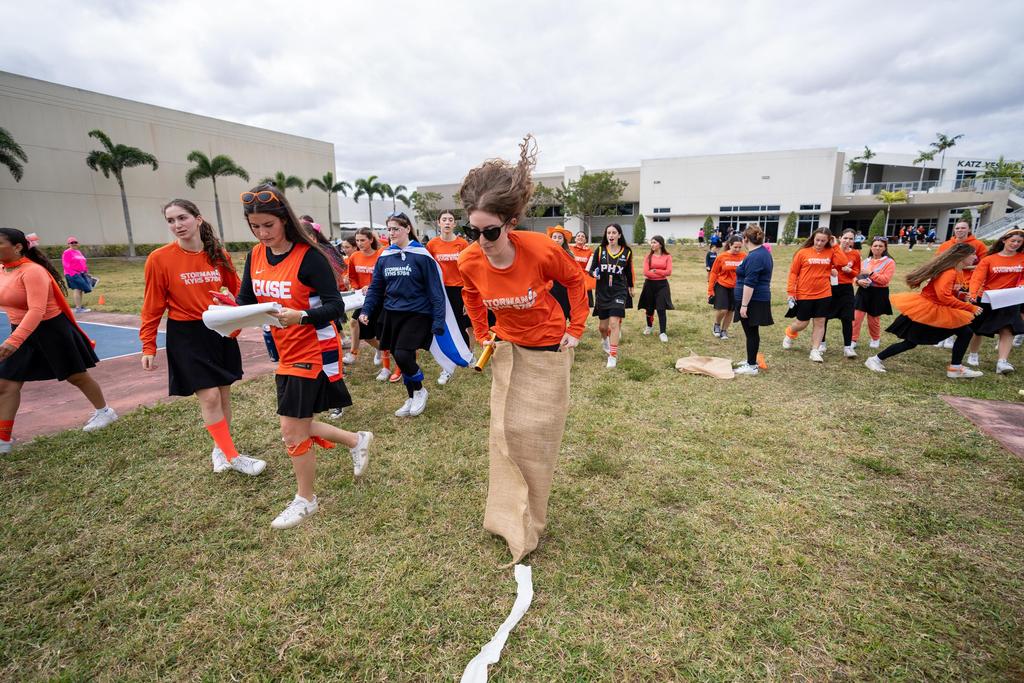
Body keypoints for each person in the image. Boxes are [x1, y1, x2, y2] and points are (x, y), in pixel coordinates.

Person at [456, 135, 587, 564]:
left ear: (510, 223)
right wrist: (482, 331)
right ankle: (507, 516)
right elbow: (471, 295)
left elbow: (575, 282)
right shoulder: (469, 260)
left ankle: (534, 516)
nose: (481, 240)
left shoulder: (541, 250)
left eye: (490, 231)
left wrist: (576, 329)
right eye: (472, 231)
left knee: (537, 439)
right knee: (504, 434)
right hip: (508, 349)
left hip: (548, 349)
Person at [235, 184, 373, 530]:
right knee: (298, 424)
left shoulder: (309, 256)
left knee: (291, 431)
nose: (262, 233)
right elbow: (246, 300)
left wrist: (302, 317)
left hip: (312, 349)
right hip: (284, 350)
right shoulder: (255, 256)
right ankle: (356, 440)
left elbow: (335, 307)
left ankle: (306, 500)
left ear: (284, 219)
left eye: (268, 225)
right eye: (255, 226)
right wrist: (226, 311)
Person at [140, 199, 265, 475]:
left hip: (219, 329)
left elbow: (239, 292)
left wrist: (241, 315)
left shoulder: (218, 255)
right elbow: (152, 305)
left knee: (223, 395)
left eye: (182, 218)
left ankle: (220, 448)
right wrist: (148, 345)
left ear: (197, 219)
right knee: (209, 397)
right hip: (186, 335)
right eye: (171, 221)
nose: (177, 225)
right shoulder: (159, 259)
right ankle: (233, 456)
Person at [0, 228, 117, 452]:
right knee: (5, 383)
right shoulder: (3, 270)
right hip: (21, 330)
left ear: (17, 247)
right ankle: (3, 440)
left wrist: (14, 341)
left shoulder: (33, 271)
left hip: (50, 330)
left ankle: (105, 412)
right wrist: (17, 337)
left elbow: (36, 310)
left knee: (76, 376)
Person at [359, 212, 447, 417]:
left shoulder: (422, 255)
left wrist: (439, 319)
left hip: (417, 313)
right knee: (399, 356)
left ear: (407, 229)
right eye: (389, 229)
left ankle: (420, 390)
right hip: (392, 313)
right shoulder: (385, 256)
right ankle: (411, 396)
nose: (391, 233)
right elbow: (376, 287)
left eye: (396, 229)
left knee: (403, 354)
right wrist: (366, 310)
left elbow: (435, 290)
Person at [864, 244, 983, 378]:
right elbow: (944, 297)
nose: (975, 257)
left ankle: (955, 368)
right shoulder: (949, 272)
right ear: (963, 256)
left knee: (965, 332)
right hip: (928, 310)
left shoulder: (957, 271)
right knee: (910, 342)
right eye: (973, 254)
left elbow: (948, 292)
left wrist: (961, 296)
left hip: (938, 309)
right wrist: (970, 307)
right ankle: (875, 359)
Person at [782, 228, 848, 362]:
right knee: (802, 323)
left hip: (824, 293)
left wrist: (835, 246)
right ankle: (790, 332)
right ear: (813, 238)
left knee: (820, 322)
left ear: (828, 241)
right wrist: (791, 292)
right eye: (817, 240)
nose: (819, 243)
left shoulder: (831, 251)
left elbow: (842, 263)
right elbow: (794, 273)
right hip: (804, 293)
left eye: (823, 241)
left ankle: (815, 350)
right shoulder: (802, 252)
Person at [965, 228, 1024, 374]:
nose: (1015, 244)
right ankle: (973, 354)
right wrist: (973, 293)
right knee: (978, 330)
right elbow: (977, 278)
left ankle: (1002, 362)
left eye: (1019, 242)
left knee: (1008, 329)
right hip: (987, 298)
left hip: (1010, 298)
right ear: (1004, 240)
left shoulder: (1022, 258)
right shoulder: (989, 259)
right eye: (1013, 241)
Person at [426, 209, 471, 385]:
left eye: (450, 220)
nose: (447, 222)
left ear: (454, 224)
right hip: (439, 290)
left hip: (459, 289)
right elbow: (428, 269)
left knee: (461, 325)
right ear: (439, 223)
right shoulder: (432, 244)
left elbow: (468, 270)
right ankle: (447, 366)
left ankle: (467, 355)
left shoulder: (462, 244)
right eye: (444, 219)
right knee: (443, 326)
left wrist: (467, 294)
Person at [345, 228, 392, 381]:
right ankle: (381, 350)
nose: (359, 243)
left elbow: (385, 277)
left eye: (363, 240)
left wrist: (371, 287)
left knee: (381, 331)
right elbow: (352, 277)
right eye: (357, 240)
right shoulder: (355, 256)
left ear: (371, 240)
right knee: (366, 335)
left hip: (381, 298)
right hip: (362, 300)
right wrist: (355, 287)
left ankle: (386, 366)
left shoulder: (380, 255)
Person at [588, 223, 634, 368]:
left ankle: (612, 356)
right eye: (609, 233)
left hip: (619, 291)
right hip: (603, 292)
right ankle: (605, 340)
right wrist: (594, 273)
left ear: (619, 235)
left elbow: (628, 272)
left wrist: (631, 286)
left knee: (614, 323)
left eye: (614, 233)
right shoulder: (600, 249)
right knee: (603, 327)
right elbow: (592, 269)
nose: (611, 235)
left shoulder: (627, 251)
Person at [733, 224, 774, 376]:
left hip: (753, 300)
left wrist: (744, 305)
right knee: (751, 332)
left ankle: (751, 366)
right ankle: (751, 360)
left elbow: (750, 283)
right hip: (755, 298)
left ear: (745, 239)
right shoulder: (761, 253)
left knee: (751, 333)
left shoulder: (755, 256)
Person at [821, 229, 862, 357]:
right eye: (845, 238)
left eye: (851, 239)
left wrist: (850, 271)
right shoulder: (831, 251)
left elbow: (857, 272)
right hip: (830, 286)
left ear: (854, 240)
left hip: (846, 289)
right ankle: (822, 343)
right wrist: (831, 270)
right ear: (840, 238)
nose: (847, 241)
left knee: (847, 318)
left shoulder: (855, 254)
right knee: (824, 317)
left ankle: (847, 347)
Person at [852, 237, 895, 350]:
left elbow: (885, 280)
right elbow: (855, 276)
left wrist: (870, 273)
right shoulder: (865, 261)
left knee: (873, 320)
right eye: (875, 245)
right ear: (871, 247)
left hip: (878, 293)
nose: (877, 248)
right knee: (856, 318)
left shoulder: (889, 262)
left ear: (885, 248)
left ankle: (875, 339)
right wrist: (858, 282)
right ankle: (853, 339)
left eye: (881, 246)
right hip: (863, 292)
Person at [707, 235, 745, 340]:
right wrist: (710, 289)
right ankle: (717, 324)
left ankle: (724, 330)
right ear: (730, 245)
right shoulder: (721, 257)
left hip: (737, 287)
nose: (737, 249)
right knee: (723, 309)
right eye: (735, 247)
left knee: (731, 310)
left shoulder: (744, 257)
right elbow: (714, 273)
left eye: (739, 247)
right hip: (722, 285)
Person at [637, 235, 673, 342]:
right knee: (649, 308)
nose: (652, 244)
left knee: (661, 309)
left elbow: (668, 272)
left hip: (662, 285)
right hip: (649, 285)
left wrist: (656, 270)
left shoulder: (667, 257)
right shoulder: (648, 257)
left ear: (660, 244)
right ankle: (649, 326)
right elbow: (646, 273)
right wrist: (661, 272)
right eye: (651, 242)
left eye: (654, 242)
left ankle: (663, 332)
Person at [546, 226, 575, 320]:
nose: (557, 240)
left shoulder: (569, 254)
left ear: (563, 240)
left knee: (563, 313)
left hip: (564, 288)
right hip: (549, 287)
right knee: (550, 315)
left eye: (559, 237)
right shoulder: (545, 252)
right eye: (554, 237)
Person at [61, 236, 93, 313]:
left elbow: (83, 263)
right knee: (77, 289)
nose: (74, 244)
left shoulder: (78, 252)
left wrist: (86, 272)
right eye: (72, 242)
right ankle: (78, 308)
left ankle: (79, 306)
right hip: (72, 273)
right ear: (68, 244)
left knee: (81, 289)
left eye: (75, 242)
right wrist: (73, 274)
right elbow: (65, 264)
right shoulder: (67, 252)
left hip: (80, 273)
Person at [569, 231, 596, 308]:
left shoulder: (590, 251)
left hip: (584, 277)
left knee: (588, 304)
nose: (580, 237)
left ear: (585, 240)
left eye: (583, 236)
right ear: (575, 239)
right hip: (572, 276)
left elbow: (590, 267)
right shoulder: (570, 249)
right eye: (578, 236)